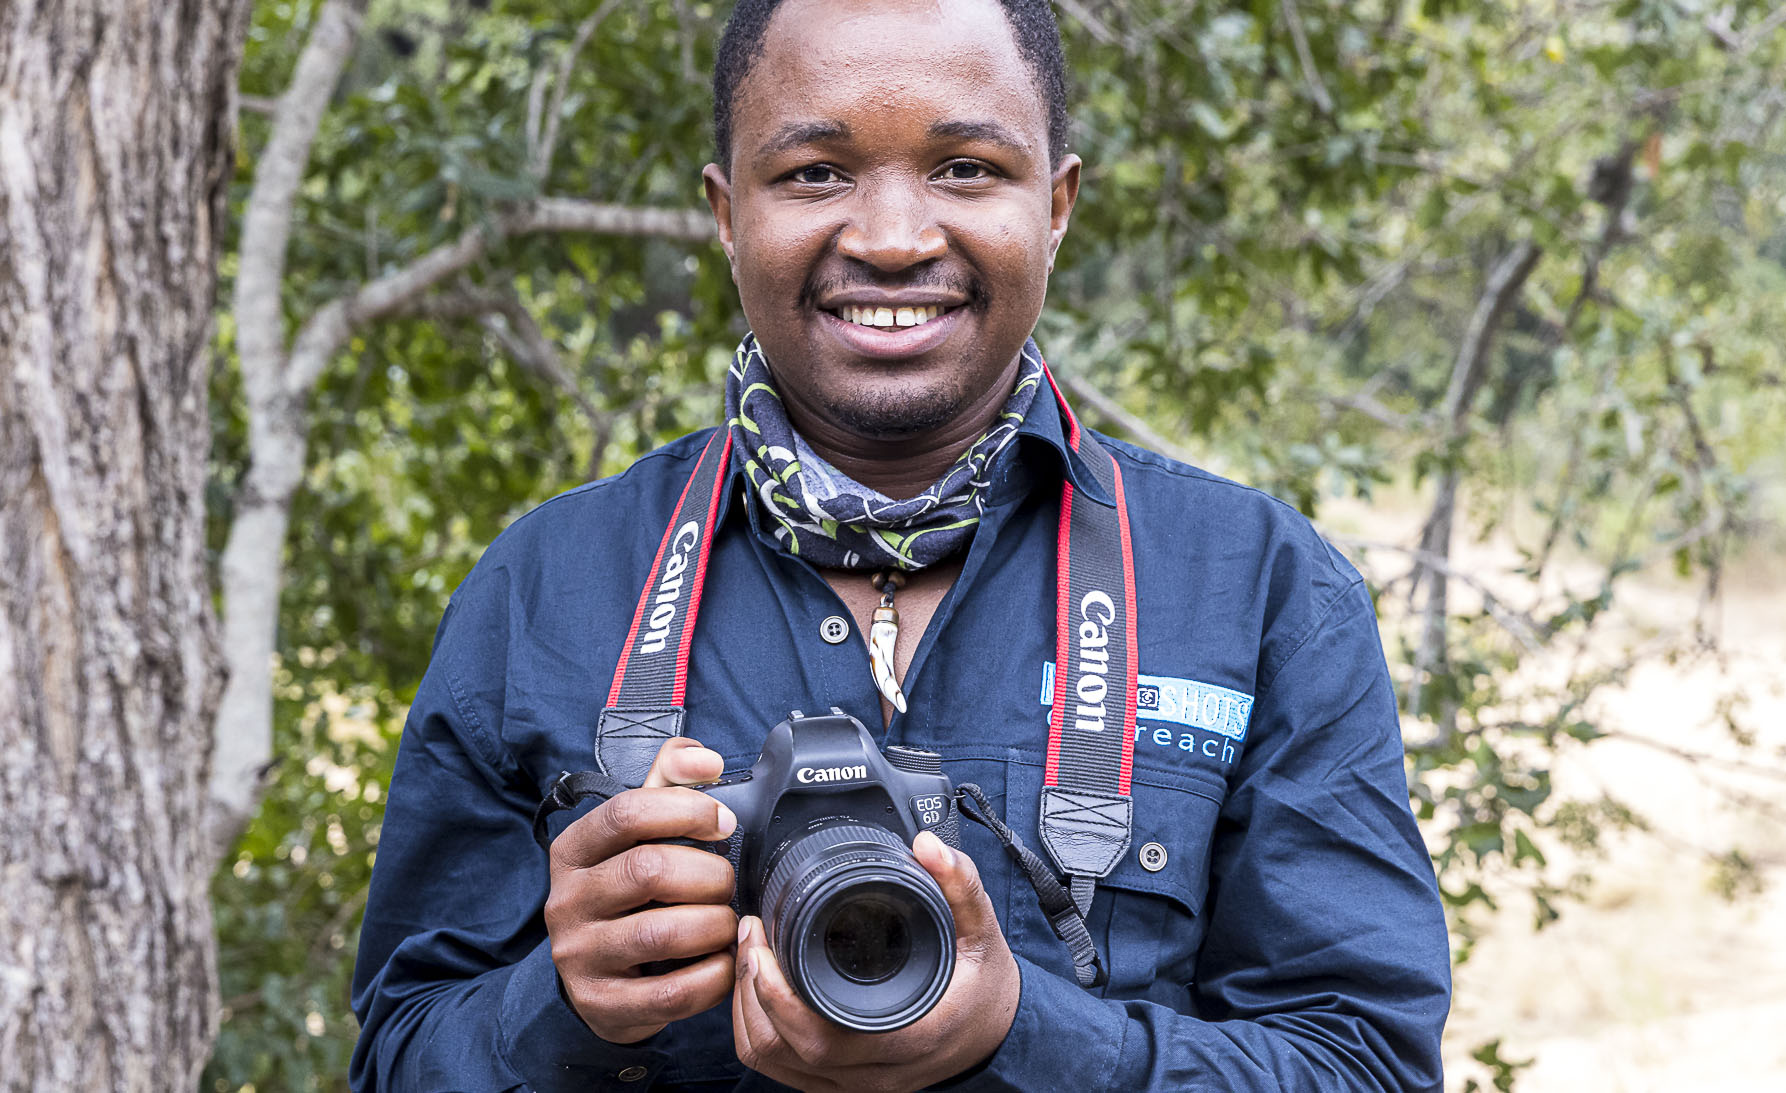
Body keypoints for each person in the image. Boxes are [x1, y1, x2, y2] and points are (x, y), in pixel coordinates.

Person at [349, 0, 1452, 1089]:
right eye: (814, 173)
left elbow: (1366, 1064)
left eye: (966, 168)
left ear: (1055, 205)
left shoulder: (1260, 591)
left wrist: (1023, 1033)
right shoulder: (545, 590)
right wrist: (563, 1003)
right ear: (728, 213)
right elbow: (400, 1055)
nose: (889, 239)